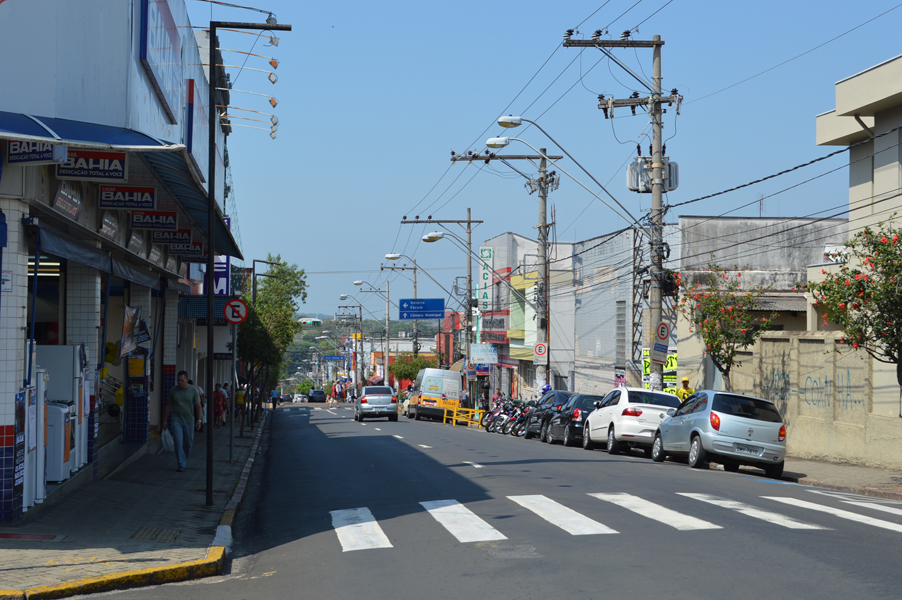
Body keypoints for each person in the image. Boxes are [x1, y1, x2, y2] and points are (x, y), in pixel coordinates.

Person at [162, 371, 203, 472]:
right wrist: (164, 420)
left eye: (182, 380)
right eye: (178, 380)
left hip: (189, 421)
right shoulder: (173, 390)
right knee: (178, 442)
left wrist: (199, 420)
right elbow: (168, 405)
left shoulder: (193, 390)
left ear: (187, 380)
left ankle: (183, 459)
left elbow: (198, 406)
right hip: (176, 420)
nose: (179, 382)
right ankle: (181, 463)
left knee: (188, 443)